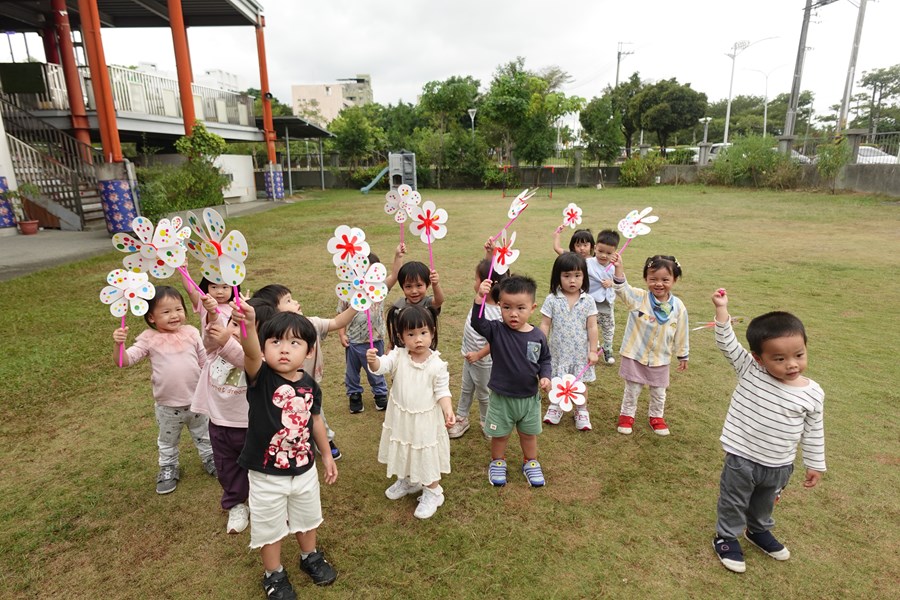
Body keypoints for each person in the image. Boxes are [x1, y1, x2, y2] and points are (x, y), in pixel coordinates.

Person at [711, 289, 826, 574]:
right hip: (742, 459)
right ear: (759, 359)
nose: (791, 364)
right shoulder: (751, 371)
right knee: (734, 500)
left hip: (780, 464)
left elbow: (813, 431)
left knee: (764, 503)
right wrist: (722, 310)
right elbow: (727, 344)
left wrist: (815, 464)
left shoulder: (812, 393)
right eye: (779, 359)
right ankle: (726, 536)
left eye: (798, 354)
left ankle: (758, 531)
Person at [231, 304, 338, 597]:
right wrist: (250, 326)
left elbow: (315, 420)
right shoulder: (260, 377)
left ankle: (310, 556)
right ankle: (274, 574)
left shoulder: (311, 386)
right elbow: (250, 353)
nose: (284, 349)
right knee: (269, 526)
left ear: (309, 350)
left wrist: (326, 455)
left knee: (307, 516)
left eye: (295, 342)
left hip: (304, 469)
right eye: (275, 341)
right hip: (266, 474)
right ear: (265, 349)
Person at [112, 286, 215, 495]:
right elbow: (124, 361)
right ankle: (168, 467)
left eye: (178, 309)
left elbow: (205, 362)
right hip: (168, 406)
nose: (174, 315)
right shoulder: (149, 339)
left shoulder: (192, 333)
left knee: (205, 435)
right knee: (168, 441)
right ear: (151, 317)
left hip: (197, 401)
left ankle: (211, 458)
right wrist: (118, 345)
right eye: (166, 312)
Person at [366, 305, 454, 519]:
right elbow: (383, 366)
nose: (418, 339)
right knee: (405, 445)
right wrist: (374, 361)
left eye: (423, 333)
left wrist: (448, 410)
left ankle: (433, 491)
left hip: (424, 420)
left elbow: (442, 391)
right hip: (402, 417)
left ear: (432, 332)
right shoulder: (398, 355)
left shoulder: (437, 365)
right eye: (411, 334)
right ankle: (409, 479)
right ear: (401, 336)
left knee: (423, 452)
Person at [252, 284, 355, 461]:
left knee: (316, 413)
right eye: (288, 301)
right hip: (282, 387)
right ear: (274, 312)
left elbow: (338, 322)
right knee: (289, 417)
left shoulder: (310, 323)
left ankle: (326, 441)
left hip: (309, 383)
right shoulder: (272, 337)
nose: (296, 302)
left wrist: (358, 304)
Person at [471, 275, 552, 487]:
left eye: (520, 308)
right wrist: (480, 297)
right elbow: (477, 322)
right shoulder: (496, 330)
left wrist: (545, 376)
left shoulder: (537, 336)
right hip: (501, 398)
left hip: (529, 398)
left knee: (528, 434)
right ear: (499, 306)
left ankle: (531, 462)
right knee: (500, 435)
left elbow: (545, 359)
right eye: (506, 307)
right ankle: (497, 461)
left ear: (532, 308)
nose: (513, 314)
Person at [610, 253, 689, 436]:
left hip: (660, 357)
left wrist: (683, 354)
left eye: (665, 279)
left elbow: (682, 331)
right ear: (646, 278)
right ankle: (627, 415)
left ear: (674, 280)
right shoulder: (639, 298)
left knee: (659, 391)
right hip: (635, 353)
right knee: (633, 389)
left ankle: (656, 417)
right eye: (652, 279)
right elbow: (622, 290)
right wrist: (619, 267)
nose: (658, 284)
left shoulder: (678, 306)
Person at [190, 312, 250, 534]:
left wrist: (227, 340)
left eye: (244, 328)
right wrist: (213, 317)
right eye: (233, 324)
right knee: (226, 466)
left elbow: (244, 360)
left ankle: (258, 499)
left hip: (249, 425)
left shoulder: (258, 357)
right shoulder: (216, 349)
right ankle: (236, 504)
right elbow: (209, 340)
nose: (235, 331)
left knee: (257, 466)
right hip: (218, 421)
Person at [338, 244, 405, 413]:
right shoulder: (349, 292)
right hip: (353, 341)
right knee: (352, 372)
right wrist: (341, 334)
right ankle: (354, 394)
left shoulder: (379, 290)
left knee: (376, 368)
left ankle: (380, 394)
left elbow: (395, 275)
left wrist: (398, 256)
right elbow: (340, 314)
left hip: (375, 339)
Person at [448, 255, 507, 439]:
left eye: (476, 279)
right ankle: (462, 418)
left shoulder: (498, 311)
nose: (474, 282)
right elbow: (492, 270)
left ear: (486, 284)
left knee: (483, 393)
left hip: (484, 362)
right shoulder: (480, 301)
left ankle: (486, 420)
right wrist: (490, 253)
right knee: (466, 389)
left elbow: (496, 340)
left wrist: (480, 355)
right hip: (469, 357)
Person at [540, 252, 600, 430]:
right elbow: (545, 324)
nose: (572, 280)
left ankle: (581, 410)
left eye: (577, 275)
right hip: (557, 352)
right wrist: (541, 348)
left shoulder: (588, 300)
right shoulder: (552, 299)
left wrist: (592, 350)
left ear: (584, 276)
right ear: (557, 276)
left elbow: (592, 327)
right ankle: (555, 406)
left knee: (579, 383)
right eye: (566, 276)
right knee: (556, 380)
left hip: (580, 353)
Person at [385, 261, 444, 350]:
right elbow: (395, 329)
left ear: (427, 285)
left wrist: (435, 284)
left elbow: (439, 301)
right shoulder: (399, 306)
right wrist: (390, 346)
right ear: (402, 287)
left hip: (423, 349)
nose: (414, 291)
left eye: (419, 285)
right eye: (408, 286)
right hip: (403, 350)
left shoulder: (427, 303)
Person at [586, 229, 620, 364]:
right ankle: (589, 348)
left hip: (606, 302)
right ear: (595, 248)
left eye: (608, 253)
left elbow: (620, 282)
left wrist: (611, 283)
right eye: (600, 251)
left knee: (608, 326)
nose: (603, 255)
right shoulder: (588, 263)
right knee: (589, 326)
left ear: (615, 252)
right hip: (590, 301)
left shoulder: (614, 266)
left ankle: (607, 347)